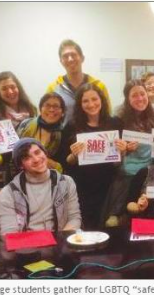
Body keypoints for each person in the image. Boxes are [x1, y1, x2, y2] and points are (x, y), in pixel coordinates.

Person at [61, 83, 126, 229]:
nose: (91, 104)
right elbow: (65, 162)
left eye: (94, 99)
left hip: (108, 184)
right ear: (79, 104)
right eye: (85, 101)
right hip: (82, 186)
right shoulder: (71, 126)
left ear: (102, 100)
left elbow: (119, 161)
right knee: (86, 227)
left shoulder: (115, 123)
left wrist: (122, 150)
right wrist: (74, 155)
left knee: (107, 227)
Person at [103, 80, 154, 227]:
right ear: (127, 99)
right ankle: (117, 215)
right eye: (134, 95)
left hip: (150, 170)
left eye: (142, 94)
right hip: (127, 171)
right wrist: (124, 150)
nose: (140, 98)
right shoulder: (118, 120)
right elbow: (112, 156)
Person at [0, 138, 82, 235]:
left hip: (60, 242)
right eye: (27, 158)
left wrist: (61, 241)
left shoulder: (66, 182)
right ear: (21, 165)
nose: (36, 160)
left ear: (45, 153)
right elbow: (9, 233)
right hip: (26, 246)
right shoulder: (8, 193)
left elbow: (74, 218)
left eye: (37, 152)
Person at [47, 39, 111, 124]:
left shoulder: (99, 86)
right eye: (65, 56)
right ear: (61, 61)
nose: (70, 59)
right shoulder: (53, 88)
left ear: (82, 58)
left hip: (93, 136)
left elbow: (107, 114)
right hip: (63, 136)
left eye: (73, 55)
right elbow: (47, 116)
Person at [17, 92, 67, 173]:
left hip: (49, 180)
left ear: (62, 112)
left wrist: (54, 165)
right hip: (19, 176)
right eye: (47, 105)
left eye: (56, 106)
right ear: (40, 109)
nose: (51, 109)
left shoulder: (65, 134)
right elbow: (11, 149)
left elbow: (65, 165)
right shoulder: (25, 125)